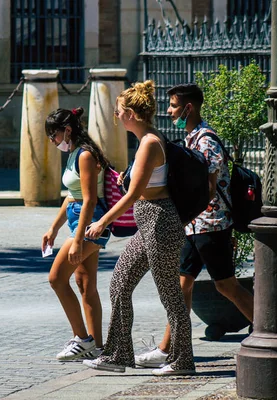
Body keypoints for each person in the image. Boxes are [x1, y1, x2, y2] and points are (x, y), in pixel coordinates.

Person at [134, 83, 254, 369]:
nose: (169, 110)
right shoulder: (192, 137)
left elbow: (210, 188)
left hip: (210, 224)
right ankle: (167, 349)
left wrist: (185, 215)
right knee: (182, 286)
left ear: (188, 108)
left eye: (174, 106)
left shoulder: (205, 140)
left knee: (226, 286)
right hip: (196, 225)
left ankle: (270, 329)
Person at [82, 81, 195, 376]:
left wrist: (102, 221)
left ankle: (183, 361)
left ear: (130, 113)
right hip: (150, 220)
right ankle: (118, 355)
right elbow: (141, 187)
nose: (116, 117)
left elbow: (133, 196)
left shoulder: (149, 143)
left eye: (118, 112)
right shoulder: (148, 139)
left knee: (170, 294)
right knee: (120, 282)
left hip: (159, 221)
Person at [42, 107, 111, 361]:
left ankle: (82, 339)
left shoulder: (85, 156)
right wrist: (54, 228)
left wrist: (78, 240)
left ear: (67, 130)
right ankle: (98, 349)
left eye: (54, 135)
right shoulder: (74, 154)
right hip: (78, 222)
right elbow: (72, 196)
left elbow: (90, 200)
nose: (52, 141)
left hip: (90, 224)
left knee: (56, 279)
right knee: (85, 284)